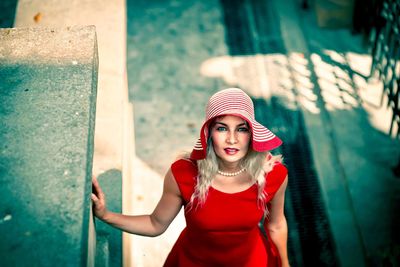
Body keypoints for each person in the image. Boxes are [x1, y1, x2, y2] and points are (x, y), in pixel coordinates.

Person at [92, 88, 290, 266]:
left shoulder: (273, 174)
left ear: (252, 133)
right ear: (209, 133)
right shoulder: (183, 173)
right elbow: (155, 224)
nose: (232, 138)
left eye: (242, 128)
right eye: (222, 128)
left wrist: (285, 263)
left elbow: (276, 224)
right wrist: (105, 215)